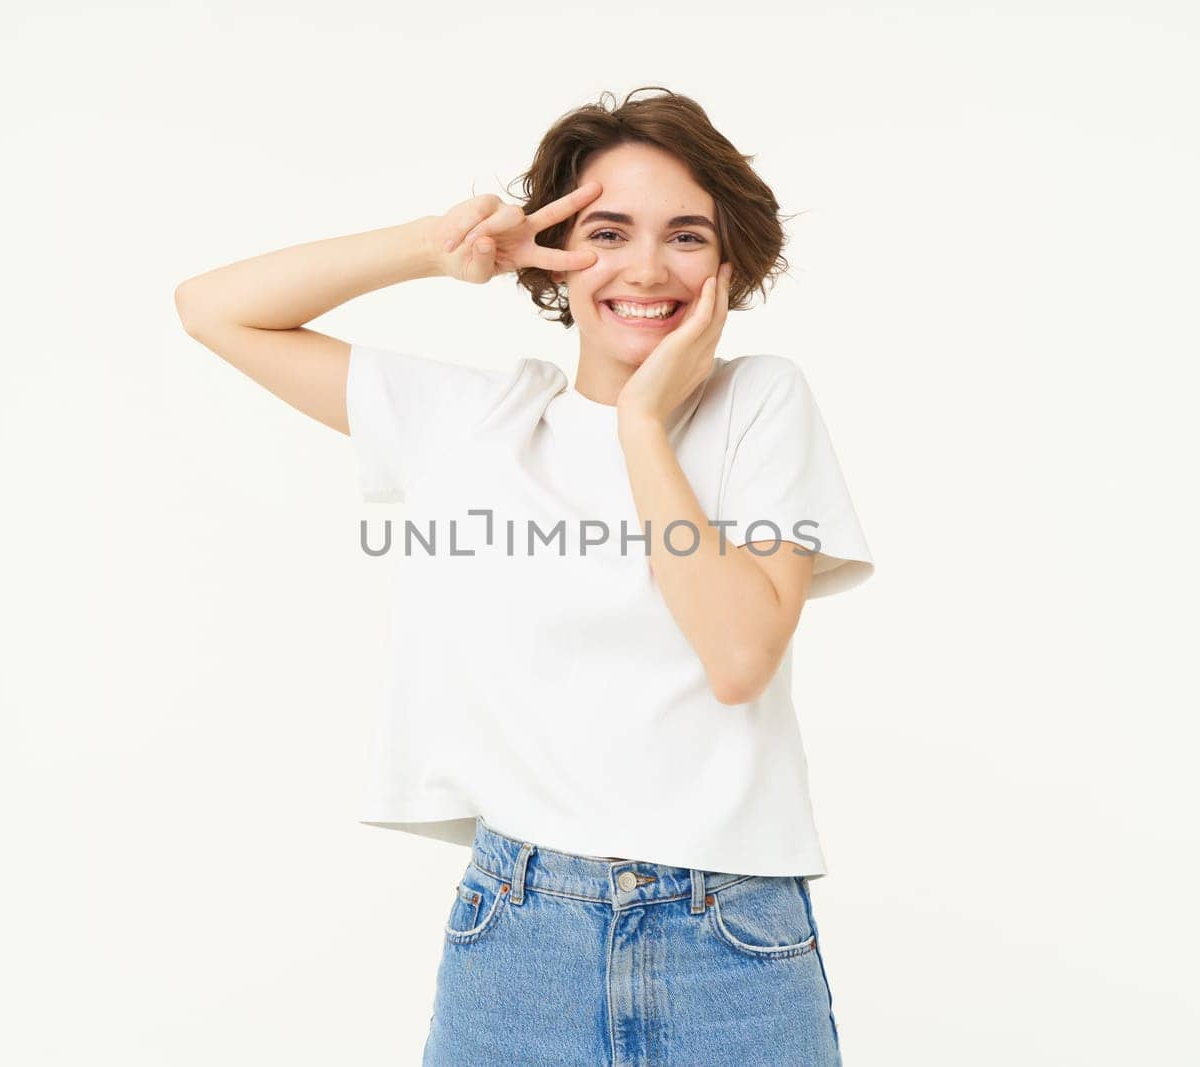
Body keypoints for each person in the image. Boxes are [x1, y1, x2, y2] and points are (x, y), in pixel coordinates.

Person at [175, 86, 873, 1066]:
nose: (644, 267)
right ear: (556, 255)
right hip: (518, 937)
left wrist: (641, 425)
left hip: (732, 938)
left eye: (684, 236)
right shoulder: (472, 422)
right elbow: (212, 310)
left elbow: (738, 655)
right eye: (607, 232)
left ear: (728, 260)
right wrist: (433, 245)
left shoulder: (760, 403)